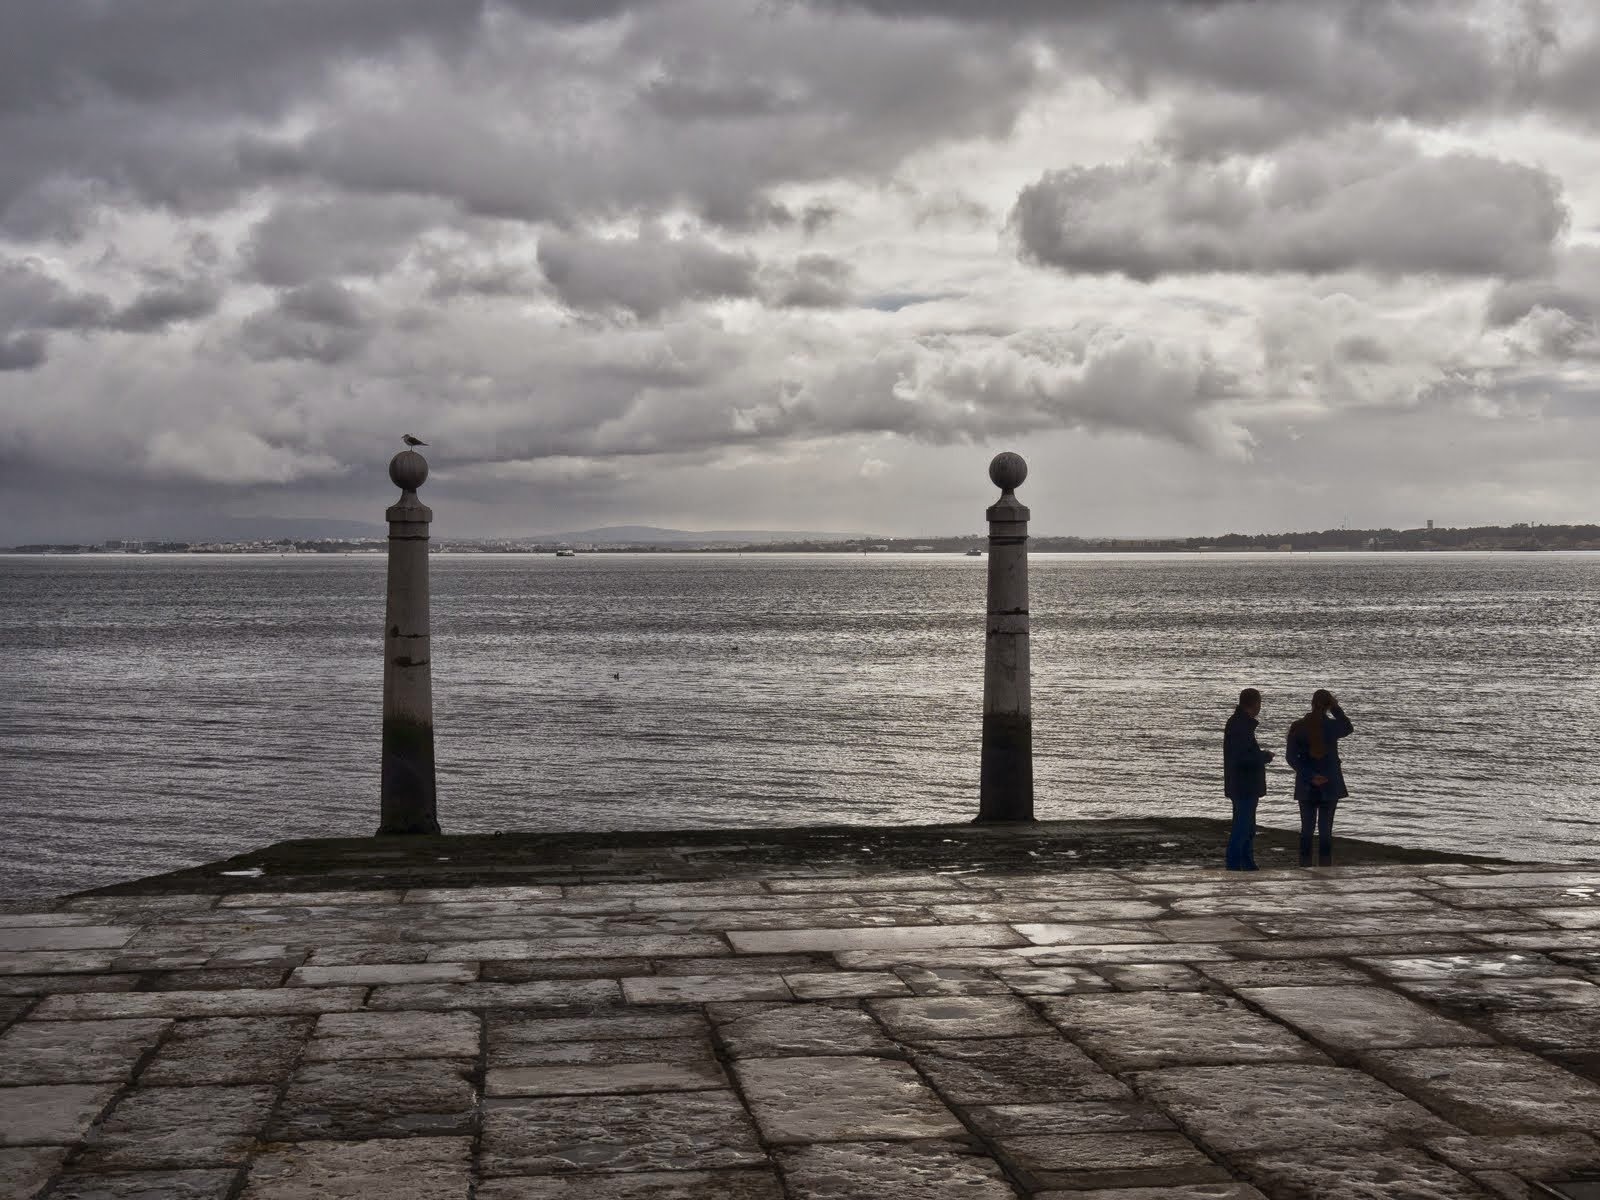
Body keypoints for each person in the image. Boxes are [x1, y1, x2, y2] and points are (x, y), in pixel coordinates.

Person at [1285, 689, 1355, 867]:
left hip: (1306, 784)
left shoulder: (1298, 726)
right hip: (1329, 783)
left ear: (1312, 703)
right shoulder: (1332, 727)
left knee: (1306, 830)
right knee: (1325, 831)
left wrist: (1309, 776)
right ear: (1328, 705)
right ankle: (1325, 867)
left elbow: (1291, 757)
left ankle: (1305, 866)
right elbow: (1348, 727)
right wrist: (1336, 708)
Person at [1223, 688, 1274, 871]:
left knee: (1247, 827)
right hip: (1243, 785)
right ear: (1255, 704)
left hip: (1241, 784)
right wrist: (1264, 756)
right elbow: (1242, 758)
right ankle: (1235, 864)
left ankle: (1247, 862)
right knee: (1242, 827)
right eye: (1259, 703)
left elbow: (1241, 755)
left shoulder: (1238, 723)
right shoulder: (1241, 726)